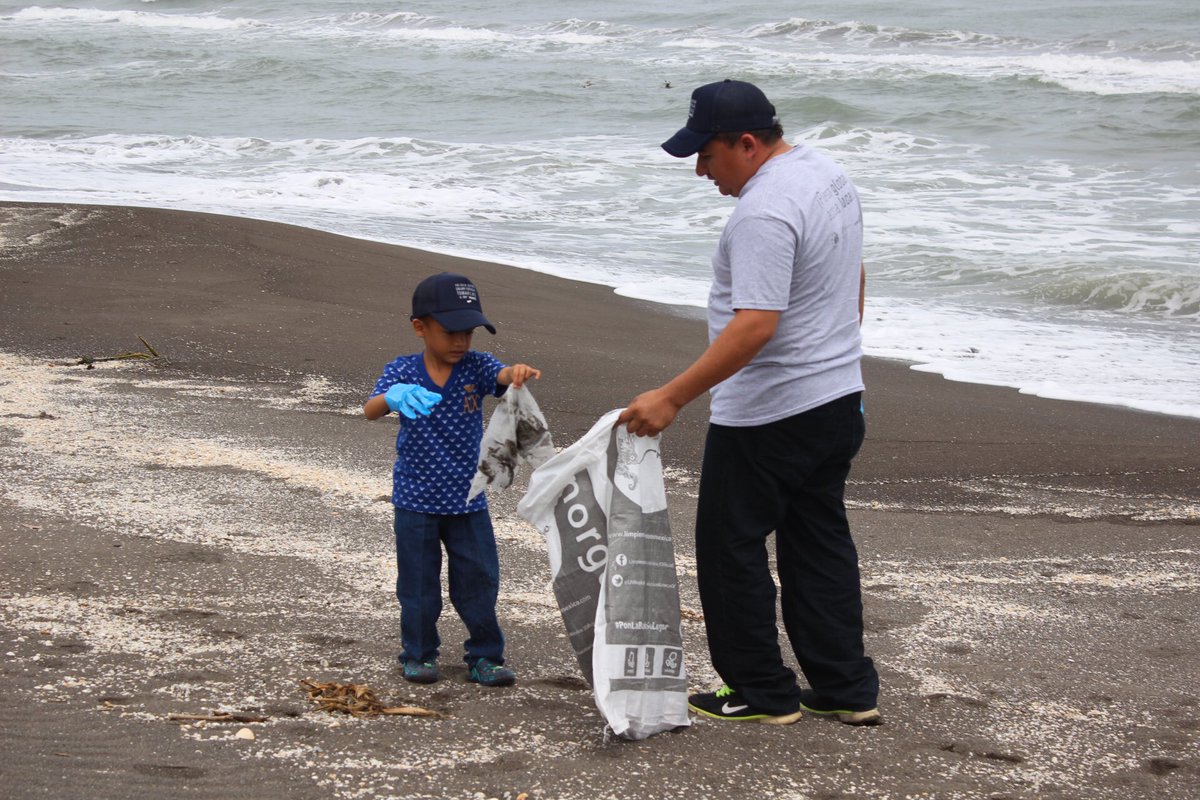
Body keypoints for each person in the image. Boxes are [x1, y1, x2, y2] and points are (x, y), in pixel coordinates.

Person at [617, 79, 880, 725]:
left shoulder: (764, 211)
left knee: (729, 546)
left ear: (746, 143)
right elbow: (854, 271)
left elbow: (755, 325)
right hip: (836, 397)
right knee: (818, 542)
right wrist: (841, 354)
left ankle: (761, 691)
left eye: (707, 156)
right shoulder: (825, 174)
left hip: (772, 411)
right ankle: (847, 689)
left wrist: (671, 397)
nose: (702, 172)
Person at [364, 272, 540, 687]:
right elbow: (370, 409)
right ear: (420, 327)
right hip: (415, 500)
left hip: (468, 501)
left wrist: (514, 373)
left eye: (468, 333)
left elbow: (499, 376)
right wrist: (392, 398)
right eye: (450, 333)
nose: (460, 342)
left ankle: (485, 656)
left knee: (479, 581)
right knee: (418, 586)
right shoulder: (402, 369)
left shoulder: (475, 367)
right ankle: (419, 653)